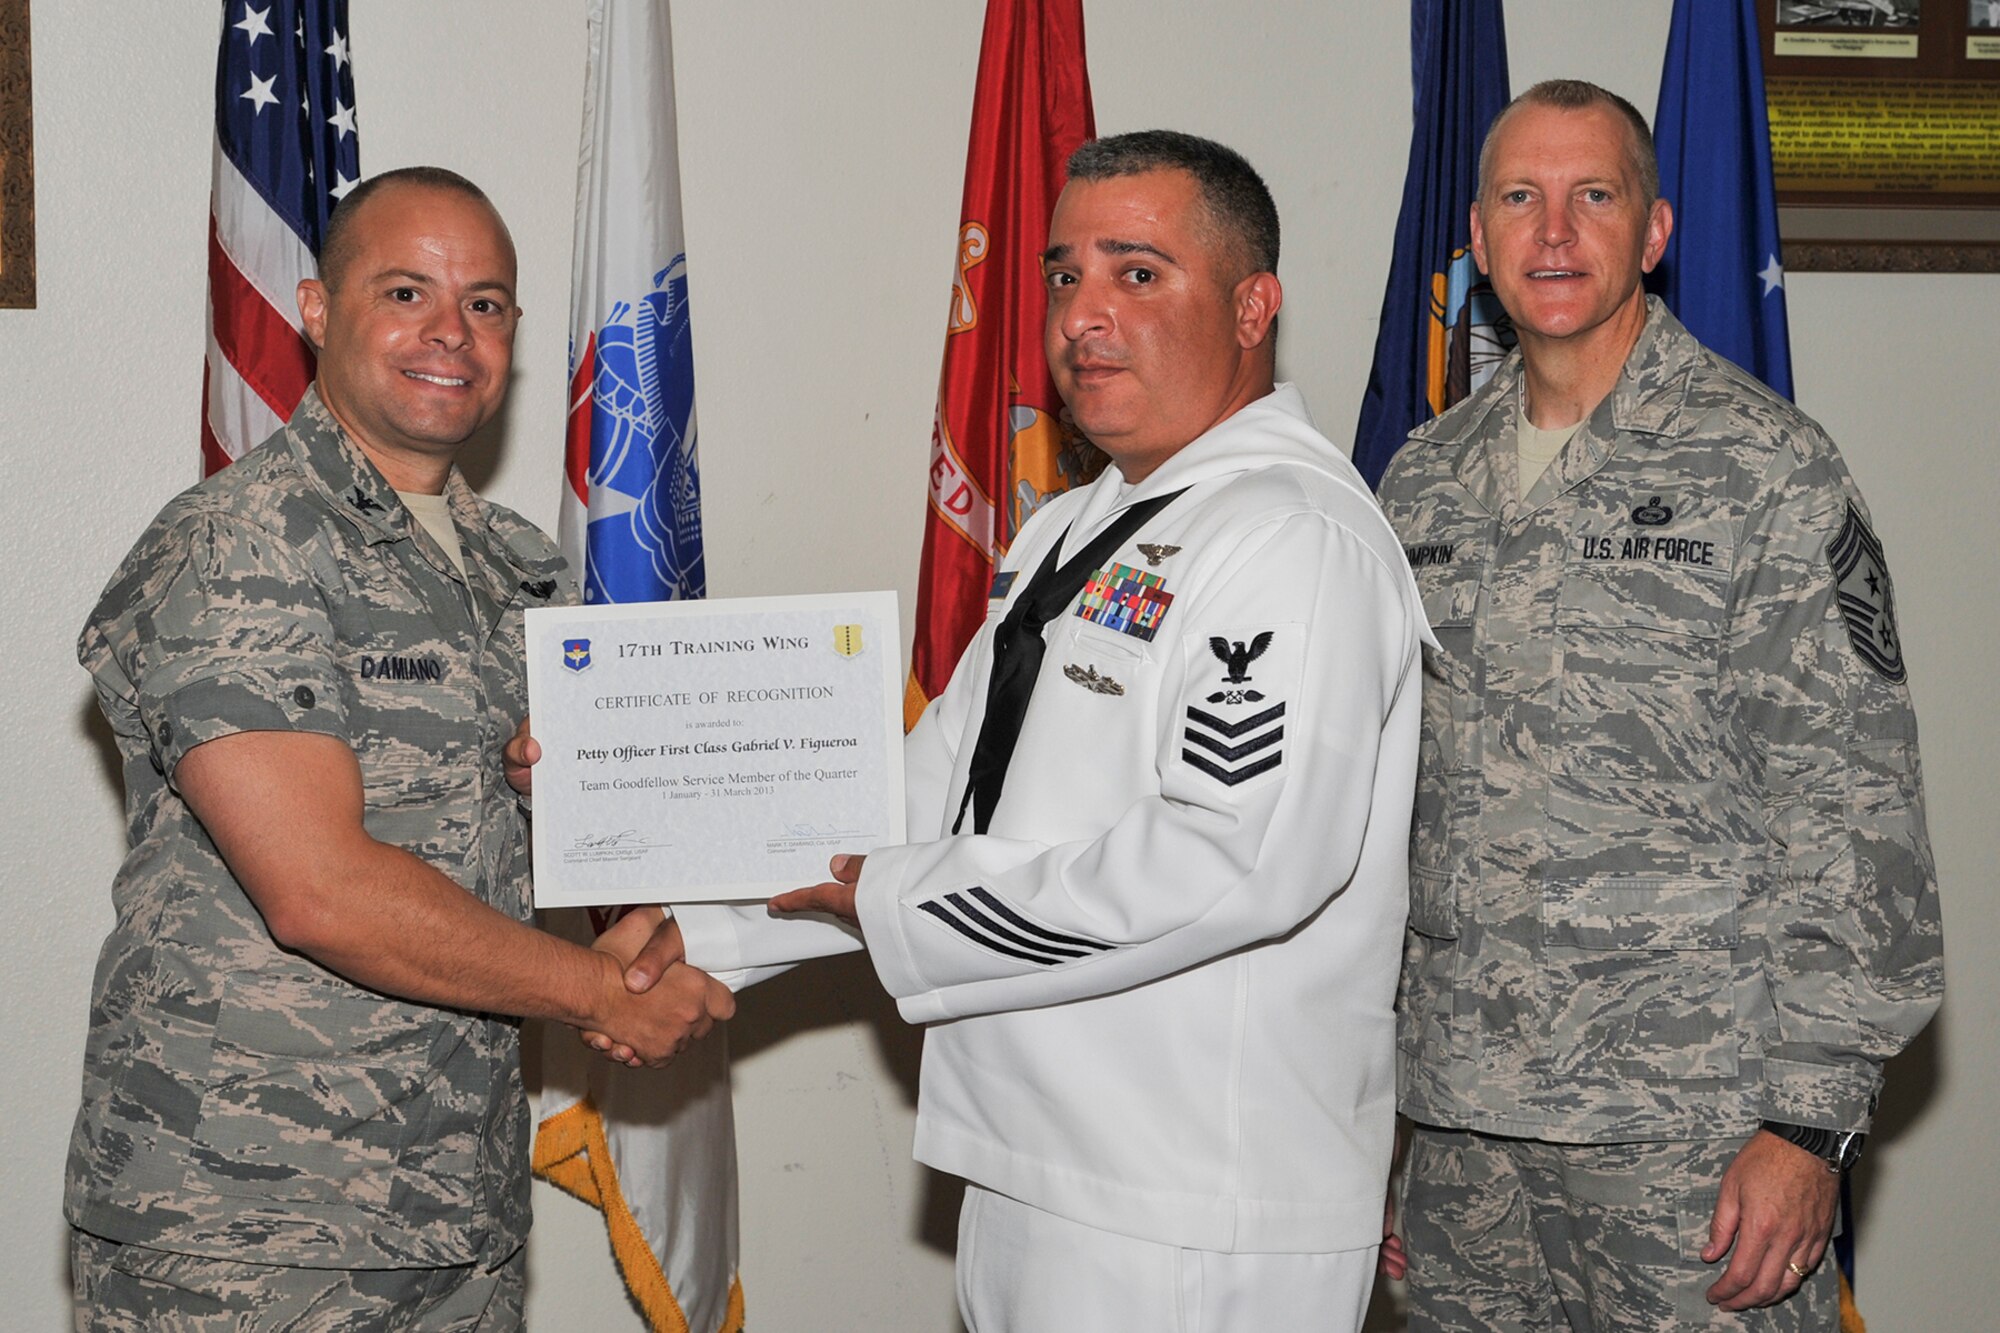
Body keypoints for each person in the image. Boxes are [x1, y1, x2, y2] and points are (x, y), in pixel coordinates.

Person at [529, 130, 1432, 1331]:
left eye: (1137, 272)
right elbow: (912, 791)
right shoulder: (1066, 531)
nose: (1082, 315)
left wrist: (900, 905)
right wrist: (696, 935)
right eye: (1064, 275)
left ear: (1252, 304)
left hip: (1193, 1197)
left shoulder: (1288, 537)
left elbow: (1235, 863)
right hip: (1033, 1158)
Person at [67, 167, 733, 1331]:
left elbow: (550, 846)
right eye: (405, 291)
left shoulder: (515, 566)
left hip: (452, 1214)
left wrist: (626, 885)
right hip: (249, 1237)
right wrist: (598, 993)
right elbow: (318, 891)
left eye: (482, 303)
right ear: (319, 312)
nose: (448, 334)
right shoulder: (242, 543)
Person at [1377, 81, 1944, 1331]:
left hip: (1690, 1133)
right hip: (1461, 1132)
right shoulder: (1418, 485)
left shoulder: (1765, 468)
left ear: (1654, 230)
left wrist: (1807, 1123)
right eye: (1519, 198)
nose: (1553, 233)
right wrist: (1377, 1109)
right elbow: (1378, 809)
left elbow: (1850, 807)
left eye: (1593, 196)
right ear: (1474, 237)